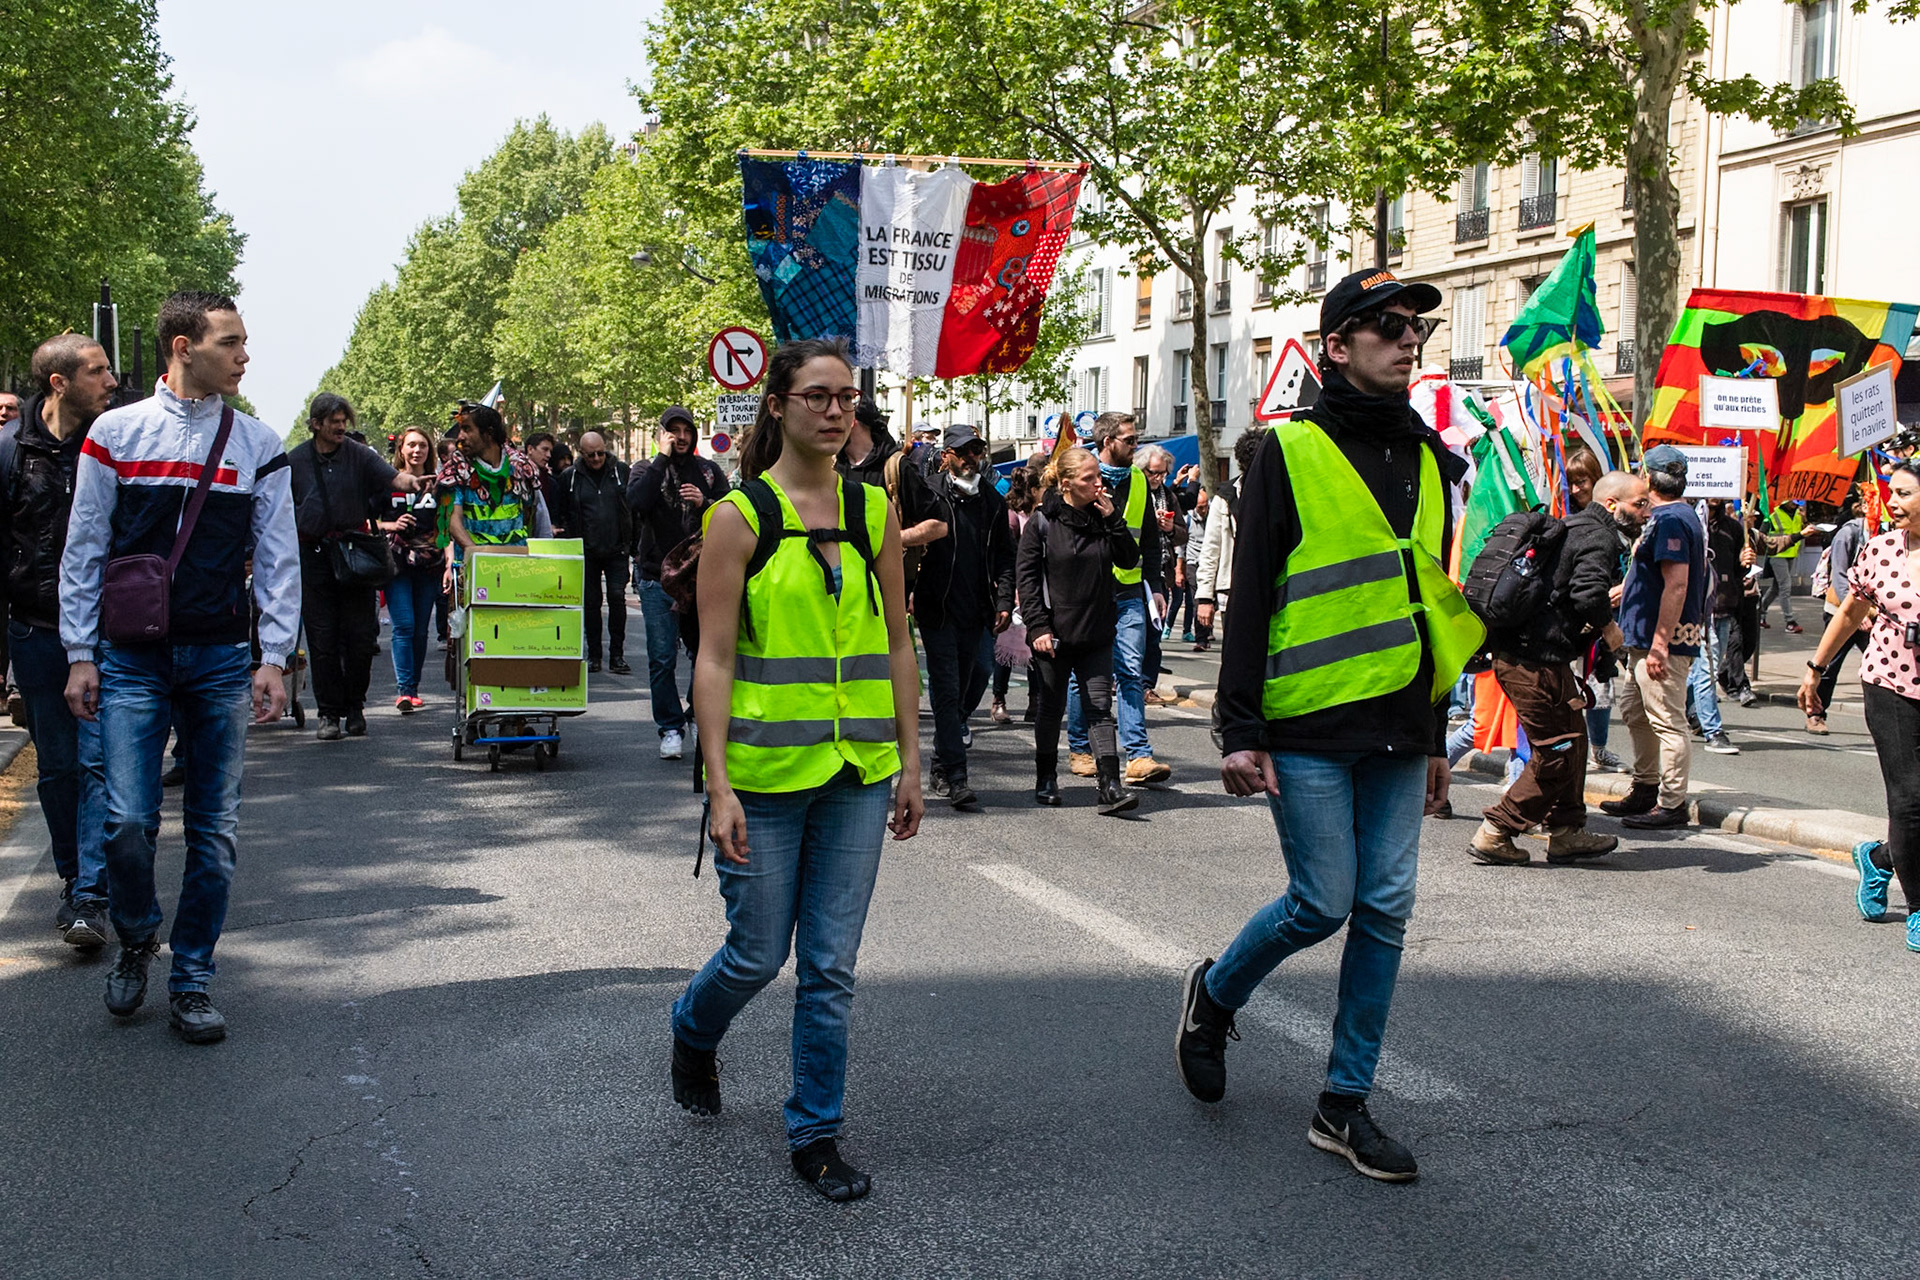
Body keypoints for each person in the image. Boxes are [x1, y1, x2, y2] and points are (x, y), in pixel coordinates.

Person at [1177, 269, 1481, 1182]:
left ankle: (1343, 1104)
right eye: (1387, 326)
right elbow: (1256, 594)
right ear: (1336, 348)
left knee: (1385, 910)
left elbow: (1428, 602)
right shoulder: (1285, 452)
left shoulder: (1435, 459)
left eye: (1415, 327)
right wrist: (1237, 728)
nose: (1408, 339)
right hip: (1305, 718)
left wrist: (1436, 736)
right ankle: (1216, 994)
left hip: (1397, 720)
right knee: (1324, 902)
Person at [673, 338, 924, 1202]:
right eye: (817, 395)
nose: (835, 410)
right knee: (754, 955)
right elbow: (712, 658)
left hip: (858, 773)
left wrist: (913, 760)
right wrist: (718, 785)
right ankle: (693, 1026)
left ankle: (815, 1131)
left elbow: (897, 640)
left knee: (829, 967)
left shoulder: (872, 512)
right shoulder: (738, 517)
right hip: (763, 777)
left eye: (847, 397)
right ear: (777, 405)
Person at [60, 290, 300, 1044]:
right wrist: (77, 652)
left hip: (221, 658)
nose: (243, 355)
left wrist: (274, 657)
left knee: (214, 832)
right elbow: (85, 545)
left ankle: (192, 976)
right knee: (128, 821)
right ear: (181, 346)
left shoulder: (259, 444)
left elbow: (278, 557)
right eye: (230, 342)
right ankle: (137, 937)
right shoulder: (115, 433)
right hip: (130, 659)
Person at [1, 334, 118, 947]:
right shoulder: (8, 451)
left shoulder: (116, 441)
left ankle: (88, 895)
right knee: (59, 767)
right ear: (59, 383)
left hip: (107, 634)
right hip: (36, 631)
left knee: (99, 762)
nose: (112, 380)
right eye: (98, 371)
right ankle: (75, 874)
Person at [1468, 472, 1648, 866]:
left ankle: (1566, 831)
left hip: (1543, 659)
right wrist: (1611, 629)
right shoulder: (1598, 537)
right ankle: (1497, 830)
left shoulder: (1575, 526)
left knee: (1575, 742)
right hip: (1532, 662)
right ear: (1613, 504)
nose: (1644, 511)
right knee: (1557, 752)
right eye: (1639, 503)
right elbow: (1587, 595)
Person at [1799, 459, 1920, 952]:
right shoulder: (1881, 549)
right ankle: (1918, 908)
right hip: (1890, 683)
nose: (1893, 503)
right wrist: (1816, 667)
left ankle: (1879, 857)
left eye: (1905, 495)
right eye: (1893, 493)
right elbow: (1851, 609)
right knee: (1910, 799)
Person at [290, 394, 426, 740]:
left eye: (343, 420)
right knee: (321, 640)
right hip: (314, 557)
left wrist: (413, 482)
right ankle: (329, 714)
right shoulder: (295, 461)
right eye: (333, 421)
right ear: (316, 424)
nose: (340, 426)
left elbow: (394, 479)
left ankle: (355, 707)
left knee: (361, 637)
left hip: (356, 555)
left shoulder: (361, 455)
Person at [1018, 447, 1140, 814]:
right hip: (1053, 634)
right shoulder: (1043, 521)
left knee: (1100, 708)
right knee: (1052, 709)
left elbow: (1129, 559)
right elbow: (1027, 578)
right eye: (1090, 479)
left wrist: (1115, 520)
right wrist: (1038, 625)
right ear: (1068, 484)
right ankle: (1046, 778)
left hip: (1097, 631)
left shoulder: (1104, 517)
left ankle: (1110, 785)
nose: (1098, 484)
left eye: (1098, 477)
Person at [1599, 445, 1711, 830]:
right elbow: (1651, 574)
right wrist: (1623, 592)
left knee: (1666, 720)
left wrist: (1661, 643)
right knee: (1635, 711)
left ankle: (1672, 802)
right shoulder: (1665, 516)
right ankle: (1645, 786)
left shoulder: (1671, 520)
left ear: (1648, 478)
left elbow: (1676, 585)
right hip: (1642, 640)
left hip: (1659, 642)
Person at [1065, 412, 1170, 784]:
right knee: (1086, 675)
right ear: (1108, 441)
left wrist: (1155, 586)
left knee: (1129, 669)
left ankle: (1139, 756)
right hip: (1089, 594)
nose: (1135, 446)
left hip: (1129, 592)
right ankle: (1080, 747)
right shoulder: (1084, 480)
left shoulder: (1140, 480)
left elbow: (1152, 541)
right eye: (1129, 440)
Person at [914, 424, 1015, 808]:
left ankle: (944, 750)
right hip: (938, 609)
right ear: (947, 457)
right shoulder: (930, 494)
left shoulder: (991, 499)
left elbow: (1005, 555)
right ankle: (956, 776)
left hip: (979, 610)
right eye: (964, 452)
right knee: (946, 689)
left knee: (981, 673)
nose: (972, 459)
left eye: (977, 451)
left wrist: (1004, 600)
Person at [629, 407, 728, 760]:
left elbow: (731, 513)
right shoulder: (646, 469)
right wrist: (660, 457)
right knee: (661, 658)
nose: (682, 436)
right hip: (656, 578)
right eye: (674, 430)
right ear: (663, 434)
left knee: (704, 654)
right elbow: (636, 503)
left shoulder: (708, 471)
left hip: (702, 577)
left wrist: (706, 503)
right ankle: (670, 727)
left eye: (687, 430)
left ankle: (697, 712)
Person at [376, 427, 442, 712]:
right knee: (404, 625)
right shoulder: (385, 482)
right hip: (397, 563)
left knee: (420, 631)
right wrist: (391, 525)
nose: (417, 451)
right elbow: (366, 520)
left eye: (423, 446)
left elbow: (449, 521)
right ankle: (404, 691)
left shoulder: (441, 484)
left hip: (430, 565)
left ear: (430, 450)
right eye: (411, 445)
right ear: (401, 449)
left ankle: (413, 687)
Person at [1804, 488, 1873, 734]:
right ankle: (1815, 714)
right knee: (1829, 665)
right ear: (1865, 506)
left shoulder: (1889, 534)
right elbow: (1840, 577)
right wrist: (1857, 612)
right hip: (1841, 612)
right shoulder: (1849, 533)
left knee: (1879, 664)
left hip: (1873, 615)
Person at [439, 404, 549, 554]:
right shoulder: (455, 470)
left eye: (467, 429)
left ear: (488, 433)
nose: (460, 437)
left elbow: (534, 516)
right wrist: (478, 557)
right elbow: (452, 520)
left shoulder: (522, 468)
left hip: (516, 568)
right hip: (473, 569)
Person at [567, 431, 634, 675]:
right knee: (591, 603)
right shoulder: (571, 477)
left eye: (600, 453)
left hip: (617, 549)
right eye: (591, 454)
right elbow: (564, 512)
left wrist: (632, 544)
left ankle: (617, 655)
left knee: (617, 598)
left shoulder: (621, 472)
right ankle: (594, 654)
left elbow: (633, 508)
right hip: (587, 551)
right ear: (581, 454)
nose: (597, 458)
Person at [1195, 428, 1267, 650]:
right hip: (1232, 590)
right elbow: (1211, 549)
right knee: (1237, 653)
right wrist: (1205, 598)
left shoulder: (1279, 492)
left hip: (1269, 589)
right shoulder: (1225, 498)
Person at [991, 467, 1038, 723]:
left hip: (1039, 588)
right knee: (1006, 649)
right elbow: (1008, 557)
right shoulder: (1011, 516)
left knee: (1036, 647)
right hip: (1018, 588)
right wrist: (1011, 591)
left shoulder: (1041, 513)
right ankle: (999, 699)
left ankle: (1035, 700)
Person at [1759, 498, 1806, 632]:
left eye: (1797, 502)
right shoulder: (1773, 515)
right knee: (1785, 586)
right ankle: (1790, 621)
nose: (1795, 504)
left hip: (1791, 554)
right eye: (1792, 501)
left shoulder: (1798, 514)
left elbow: (1801, 532)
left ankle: (1760, 611)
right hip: (1777, 555)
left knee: (1776, 588)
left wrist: (1805, 521)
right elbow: (1761, 535)